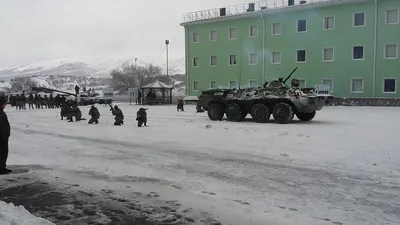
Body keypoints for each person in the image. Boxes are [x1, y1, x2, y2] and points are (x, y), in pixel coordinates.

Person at [0, 94, 11, 174]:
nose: (5, 105)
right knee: (1, 152)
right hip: (1, 137)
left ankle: (2, 166)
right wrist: (3, 136)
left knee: (4, 153)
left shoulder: (1, 112)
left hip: (4, 137)